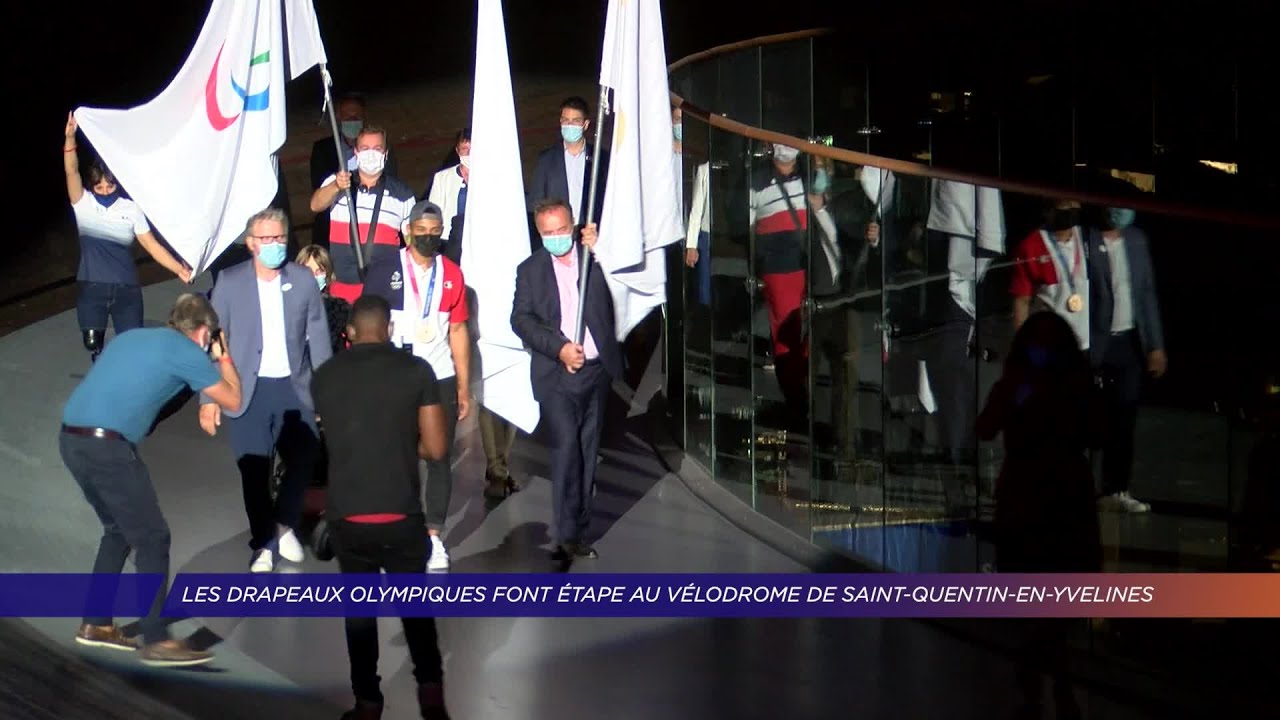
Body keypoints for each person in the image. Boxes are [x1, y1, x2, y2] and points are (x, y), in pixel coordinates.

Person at [61, 293, 241, 666]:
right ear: (204, 332)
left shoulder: (134, 337)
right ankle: (157, 638)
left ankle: (95, 623)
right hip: (108, 447)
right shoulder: (189, 351)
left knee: (118, 530)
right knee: (153, 538)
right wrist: (223, 356)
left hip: (72, 439)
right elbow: (234, 400)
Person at [311, 295, 450, 720]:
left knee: (359, 615)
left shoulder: (325, 377)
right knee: (416, 613)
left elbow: (329, 440)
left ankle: (368, 703)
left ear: (349, 333)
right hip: (401, 513)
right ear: (389, 329)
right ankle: (431, 698)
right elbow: (437, 448)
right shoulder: (416, 371)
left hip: (348, 517)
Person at [977, 310, 1102, 719]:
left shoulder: (1043, 385)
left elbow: (986, 426)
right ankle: (1055, 679)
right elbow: (986, 425)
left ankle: (1041, 671)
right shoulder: (1053, 384)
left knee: (1047, 596)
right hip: (1048, 494)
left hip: (1043, 495)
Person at [199, 208, 332, 573]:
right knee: (254, 472)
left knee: (305, 457)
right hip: (246, 390)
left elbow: (318, 337)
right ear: (250, 243)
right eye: (266, 239)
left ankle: (284, 523)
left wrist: (327, 390)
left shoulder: (303, 280)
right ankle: (263, 544)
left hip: (294, 387)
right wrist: (209, 397)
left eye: (280, 239)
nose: (274, 245)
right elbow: (213, 341)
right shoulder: (229, 282)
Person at [362, 201, 473, 571]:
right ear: (408, 231)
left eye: (434, 232)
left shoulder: (452, 274)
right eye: (420, 231)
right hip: (394, 376)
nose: (427, 237)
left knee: (439, 458)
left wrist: (462, 385)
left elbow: (458, 331)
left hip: (438, 377)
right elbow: (368, 328)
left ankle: (432, 538)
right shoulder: (384, 271)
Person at [511, 199, 623, 561]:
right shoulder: (530, 271)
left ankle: (579, 529)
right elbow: (521, 320)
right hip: (557, 376)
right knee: (566, 450)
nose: (557, 238)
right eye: (548, 233)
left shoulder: (594, 259)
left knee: (588, 451)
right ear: (539, 233)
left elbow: (622, 288)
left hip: (596, 371)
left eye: (562, 230)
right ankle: (563, 533)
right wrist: (559, 349)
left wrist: (602, 250)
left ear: (573, 226)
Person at [63, 113, 191, 362]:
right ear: (92, 188)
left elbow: (151, 245)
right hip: (93, 287)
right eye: (99, 188)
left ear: (116, 184)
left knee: (131, 348)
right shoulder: (83, 203)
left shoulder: (130, 208)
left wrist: (179, 270)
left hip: (127, 289)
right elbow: (71, 171)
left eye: (109, 187)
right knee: (92, 344)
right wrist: (70, 138)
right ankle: (102, 378)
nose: (104, 192)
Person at [1087, 206, 1165, 513]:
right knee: (1092, 418)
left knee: (1124, 419)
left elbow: (1146, 294)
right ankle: (1084, 488)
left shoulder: (1137, 241)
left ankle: (1117, 489)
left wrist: (1155, 345)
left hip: (1129, 343)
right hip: (1096, 343)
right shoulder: (1087, 240)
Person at [309, 125, 417, 303]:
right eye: (365, 149)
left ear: (386, 153)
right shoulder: (337, 183)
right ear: (356, 153)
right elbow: (315, 205)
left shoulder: (403, 194)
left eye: (377, 149)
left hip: (384, 287)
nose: (371, 154)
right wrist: (336, 186)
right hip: (342, 286)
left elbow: (411, 242)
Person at [309, 93, 400, 248]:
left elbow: (391, 182)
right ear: (338, 118)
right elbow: (318, 190)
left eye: (356, 117)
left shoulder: (381, 150)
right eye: (347, 117)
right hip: (335, 221)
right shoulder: (323, 149)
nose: (352, 121)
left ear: (364, 118)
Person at [527, 97, 608, 228]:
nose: (570, 125)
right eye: (566, 121)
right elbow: (534, 205)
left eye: (575, 121)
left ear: (585, 125)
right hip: (558, 232)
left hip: (589, 234)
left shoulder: (601, 159)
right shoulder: (546, 160)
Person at [297, 245, 352, 356]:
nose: (314, 276)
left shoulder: (338, 308)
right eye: (309, 271)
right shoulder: (287, 308)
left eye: (320, 271)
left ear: (327, 273)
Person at [424, 128, 470, 260]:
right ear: (457, 151)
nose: (468, 153)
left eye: (472, 148)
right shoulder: (442, 177)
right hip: (448, 243)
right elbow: (434, 212)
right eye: (464, 148)